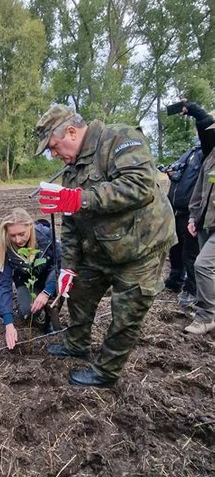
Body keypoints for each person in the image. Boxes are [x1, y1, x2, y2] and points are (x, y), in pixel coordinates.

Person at [33, 104, 177, 388]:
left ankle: (106, 372)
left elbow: (139, 186)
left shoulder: (118, 139)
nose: (53, 154)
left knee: (127, 313)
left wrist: (81, 199)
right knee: (79, 293)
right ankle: (76, 344)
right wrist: (69, 268)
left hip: (141, 247)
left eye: (52, 146)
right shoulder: (71, 172)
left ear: (71, 132)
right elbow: (72, 226)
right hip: (100, 250)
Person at [0, 208, 60, 350]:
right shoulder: (7, 249)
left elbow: (61, 266)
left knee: (61, 286)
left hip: (50, 281)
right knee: (27, 311)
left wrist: (46, 292)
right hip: (27, 283)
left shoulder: (46, 236)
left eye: (21, 234)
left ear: (30, 226)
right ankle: (35, 310)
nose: (17, 240)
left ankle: (50, 318)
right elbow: (4, 285)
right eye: (12, 235)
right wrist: (8, 323)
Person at [184, 112, 215, 335]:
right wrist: (194, 217)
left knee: (202, 265)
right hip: (207, 222)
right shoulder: (211, 156)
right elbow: (200, 190)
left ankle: (206, 317)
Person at [163, 141, 203, 307]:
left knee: (190, 252)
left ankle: (192, 289)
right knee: (175, 246)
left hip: (191, 211)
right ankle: (175, 279)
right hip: (177, 209)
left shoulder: (206, 152)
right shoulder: (190, 152)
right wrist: (172, 174)